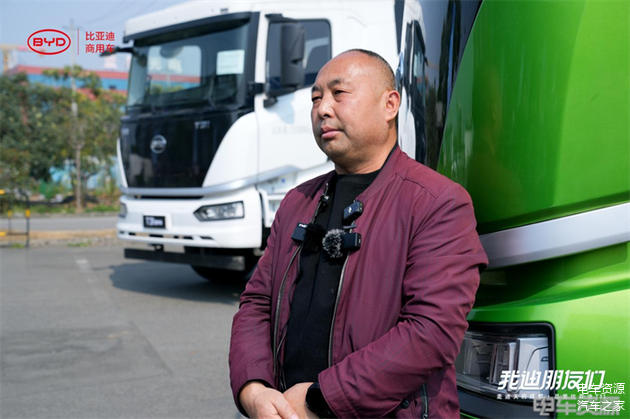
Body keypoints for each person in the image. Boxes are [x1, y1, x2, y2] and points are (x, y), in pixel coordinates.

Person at [229, 49, 488, 419]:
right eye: (315, 98)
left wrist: (321, 399)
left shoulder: (437, 202)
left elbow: (432, 332)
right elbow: (256, 304)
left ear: (390, 104)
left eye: (339, 93)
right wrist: (253, 389)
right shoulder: (297, 202)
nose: (322, 109)